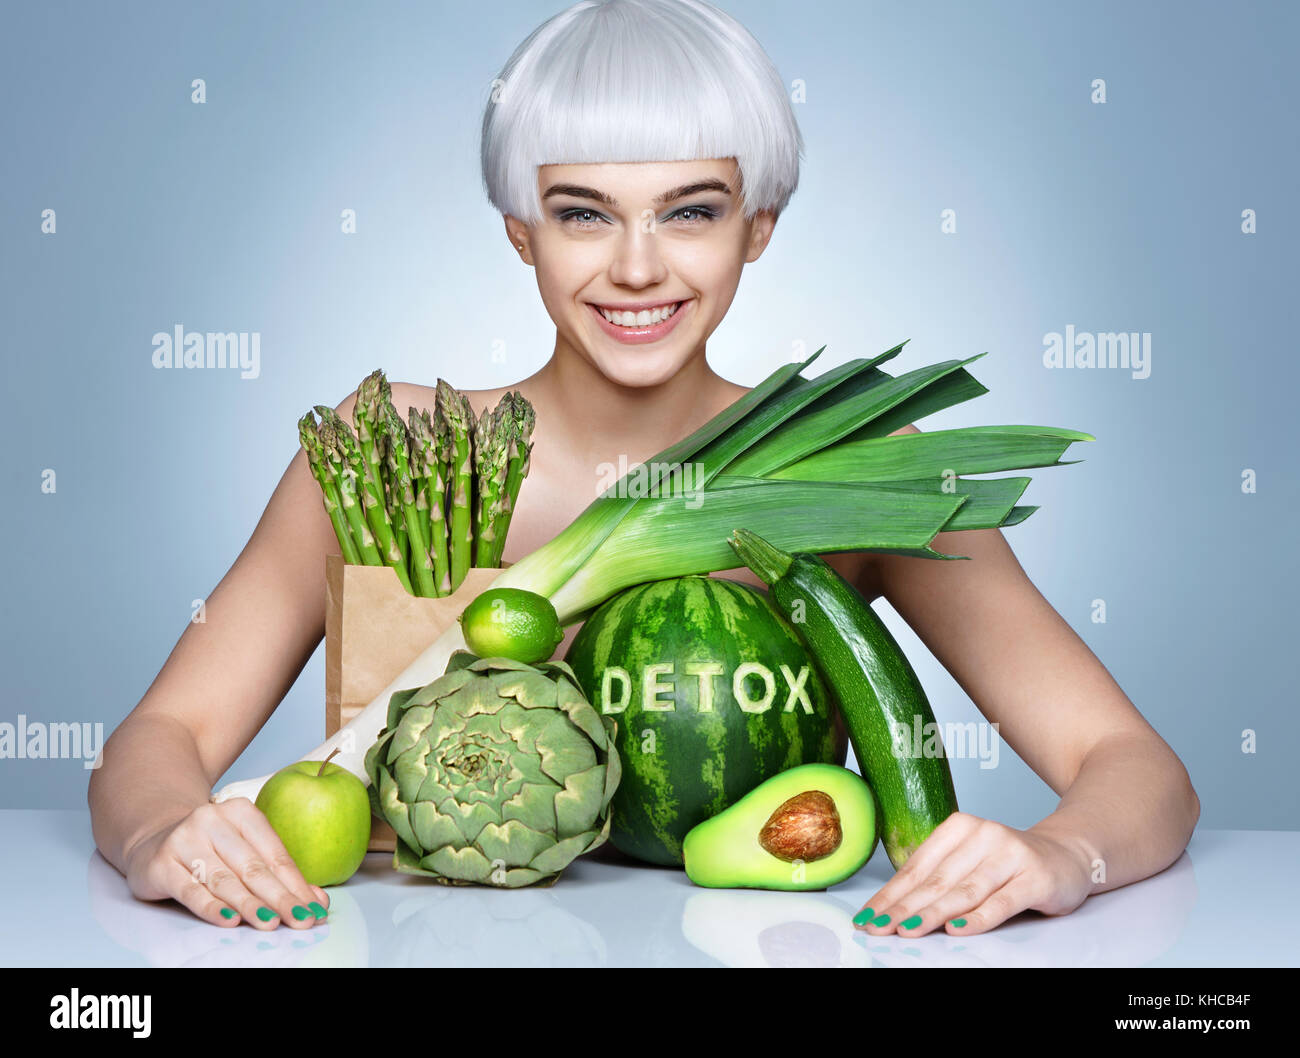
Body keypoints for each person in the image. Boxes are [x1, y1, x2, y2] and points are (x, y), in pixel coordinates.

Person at [90, 0, 1198, 937]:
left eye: (692, 212)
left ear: (756, 227)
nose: (635, 266)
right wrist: (160, 831)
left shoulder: (850, 466)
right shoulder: (393, 449)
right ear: (521, 229)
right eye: (584, 214)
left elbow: (1134, 765)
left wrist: (1063, 859)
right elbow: (160, 739)